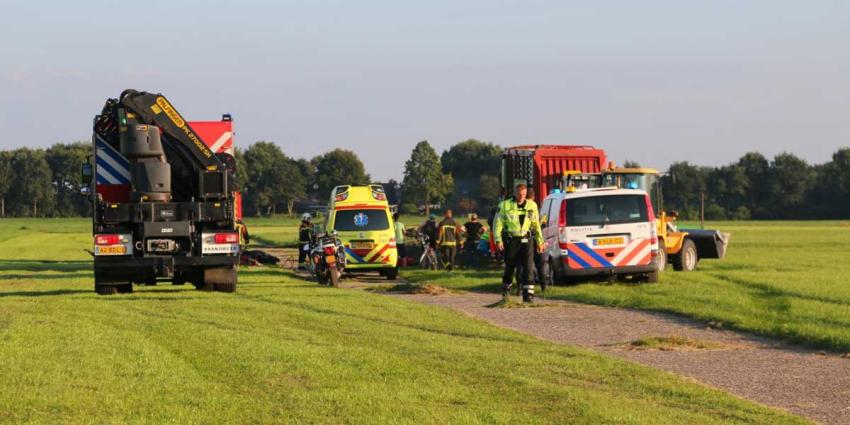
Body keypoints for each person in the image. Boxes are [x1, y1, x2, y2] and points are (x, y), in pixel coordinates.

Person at [494, 184, 544, 303]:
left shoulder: (532, 206)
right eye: (519, 194)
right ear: (515, 193)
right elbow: (497, 224)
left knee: (528, 266)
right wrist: (498, 239)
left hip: (527, 240)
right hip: (512, 240)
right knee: (510, 266)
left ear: (526, 194)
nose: (521, 197)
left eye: (524, 194)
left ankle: (528, 295)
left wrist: (540, 242)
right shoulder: (504, 205)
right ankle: (506, 289)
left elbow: (536, 225)